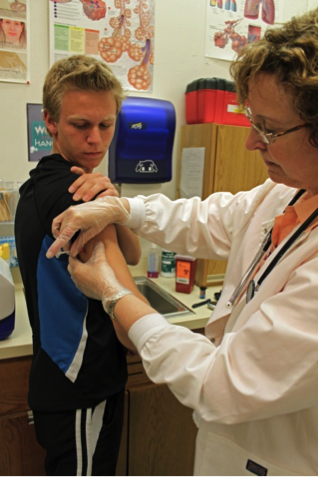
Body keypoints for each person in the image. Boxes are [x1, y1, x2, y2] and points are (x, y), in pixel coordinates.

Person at [50, 10, 317, 477]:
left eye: (270, 128)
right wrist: (122, 209)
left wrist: (116, 297)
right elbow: (211, 218)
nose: (252, 142)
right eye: (250, 119)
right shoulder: (290, 189)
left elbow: (222, 385)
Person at [15, 55, 147, 477]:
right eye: (80, 125)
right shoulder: (75, 194)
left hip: (65, 381)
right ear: (50, 122)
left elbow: (131, 253)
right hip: (80, 386)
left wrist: (115, 204)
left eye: (105, 125)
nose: (96, 139)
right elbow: (123, 288)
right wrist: (152, 340)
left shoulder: (48, 181)